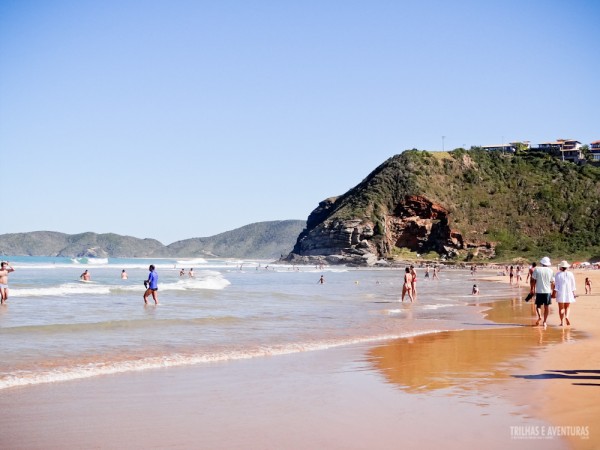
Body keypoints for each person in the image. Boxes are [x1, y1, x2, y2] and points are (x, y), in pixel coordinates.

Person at [531, 256, 555, 327]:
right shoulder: (551, 271)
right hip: (547, 291)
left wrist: (532, 289)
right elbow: (553, 282)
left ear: (542, 263)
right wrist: (553, 291)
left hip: (539, 291)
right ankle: (544, 322)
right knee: (546, 307)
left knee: (538, 306)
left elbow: (533, 280)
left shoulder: (537, 270)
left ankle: (539, 317)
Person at [554, 261, 576, 326]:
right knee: (567, 307)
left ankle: (562, 322)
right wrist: (573, 293)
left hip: (560, 292)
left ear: (561, 267)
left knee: (561, 308)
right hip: (569, 292)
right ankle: (566, 317)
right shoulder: (571, 274)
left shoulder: (558, 274)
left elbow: (556, 285)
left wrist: (554, 293)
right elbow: (573, 284)